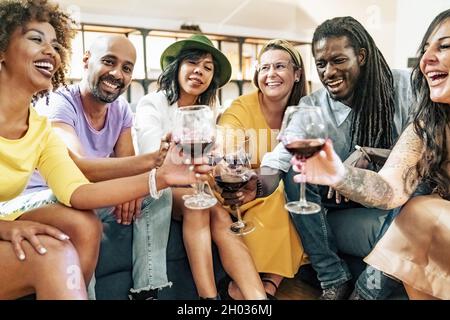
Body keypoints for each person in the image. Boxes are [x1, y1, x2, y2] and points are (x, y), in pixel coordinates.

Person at [0, 0, 211, 300]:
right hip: (21, 207)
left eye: (56, 45)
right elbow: (83, 168)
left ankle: (146, 291)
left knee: (84, 224)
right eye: (36, 39)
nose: (51, 51)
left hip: (28, 210)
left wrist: (161, 177)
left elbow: (78, 192)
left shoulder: (39, 130)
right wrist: (2, 227)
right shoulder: (61, 105)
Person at [225, 16, 413, 300]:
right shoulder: (311, 106)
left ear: (361, 57)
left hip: (394, 197)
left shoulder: (405, 87)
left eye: (338, 60)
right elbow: (282, 155)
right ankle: (333, 277)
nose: (329, 72)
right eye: (321, 64)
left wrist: (370, 154)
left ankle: (367, 291)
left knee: (419, 190)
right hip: (335, 202)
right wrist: (258, 184)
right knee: (296, 170)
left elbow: (424, 151)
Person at [297, 9, 450, 300]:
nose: (427, 58)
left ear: (362, 57)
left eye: (444, 45)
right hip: (422, 226)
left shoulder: (403, 86)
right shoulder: (427, 125)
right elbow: (391, 189)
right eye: (425, 48)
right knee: (419, 207)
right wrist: (339, 174)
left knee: (423, 209)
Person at [27, 34, 172, 300]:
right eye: (108, 61)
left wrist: (133, 188)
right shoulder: (60, 102)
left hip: (91, 194)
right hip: (51, 196)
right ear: (86, 60)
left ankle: (147, 291)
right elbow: (77, 171)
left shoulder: (121, 111)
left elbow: (127, 168)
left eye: (126, 68)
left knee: (158, 196)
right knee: (83, 211)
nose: (117, 73)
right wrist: (152, 161)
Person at [134, 34, 267, 300]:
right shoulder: (153, 103)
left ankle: (258, 299)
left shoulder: (205, 112)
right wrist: (204, 163)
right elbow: (156, 158)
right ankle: (209, 299)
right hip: (156, 185)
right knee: (202, 206)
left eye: (208, 67)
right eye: (193, 63)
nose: (199, 71)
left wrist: (223, 166)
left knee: (218, 213)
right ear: (177, 68)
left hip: (194, 186)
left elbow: (213, 158)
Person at [217, 39, 308, 299]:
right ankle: (260, 287)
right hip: (241, 192)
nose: (270, 74)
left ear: (297, 73)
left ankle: (264, 286)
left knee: (289, 189)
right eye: (264, 67)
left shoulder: (306, 110)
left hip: (276, 192)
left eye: (279, 66)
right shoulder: (241, 108)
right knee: (283, 193)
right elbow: (227, 142)